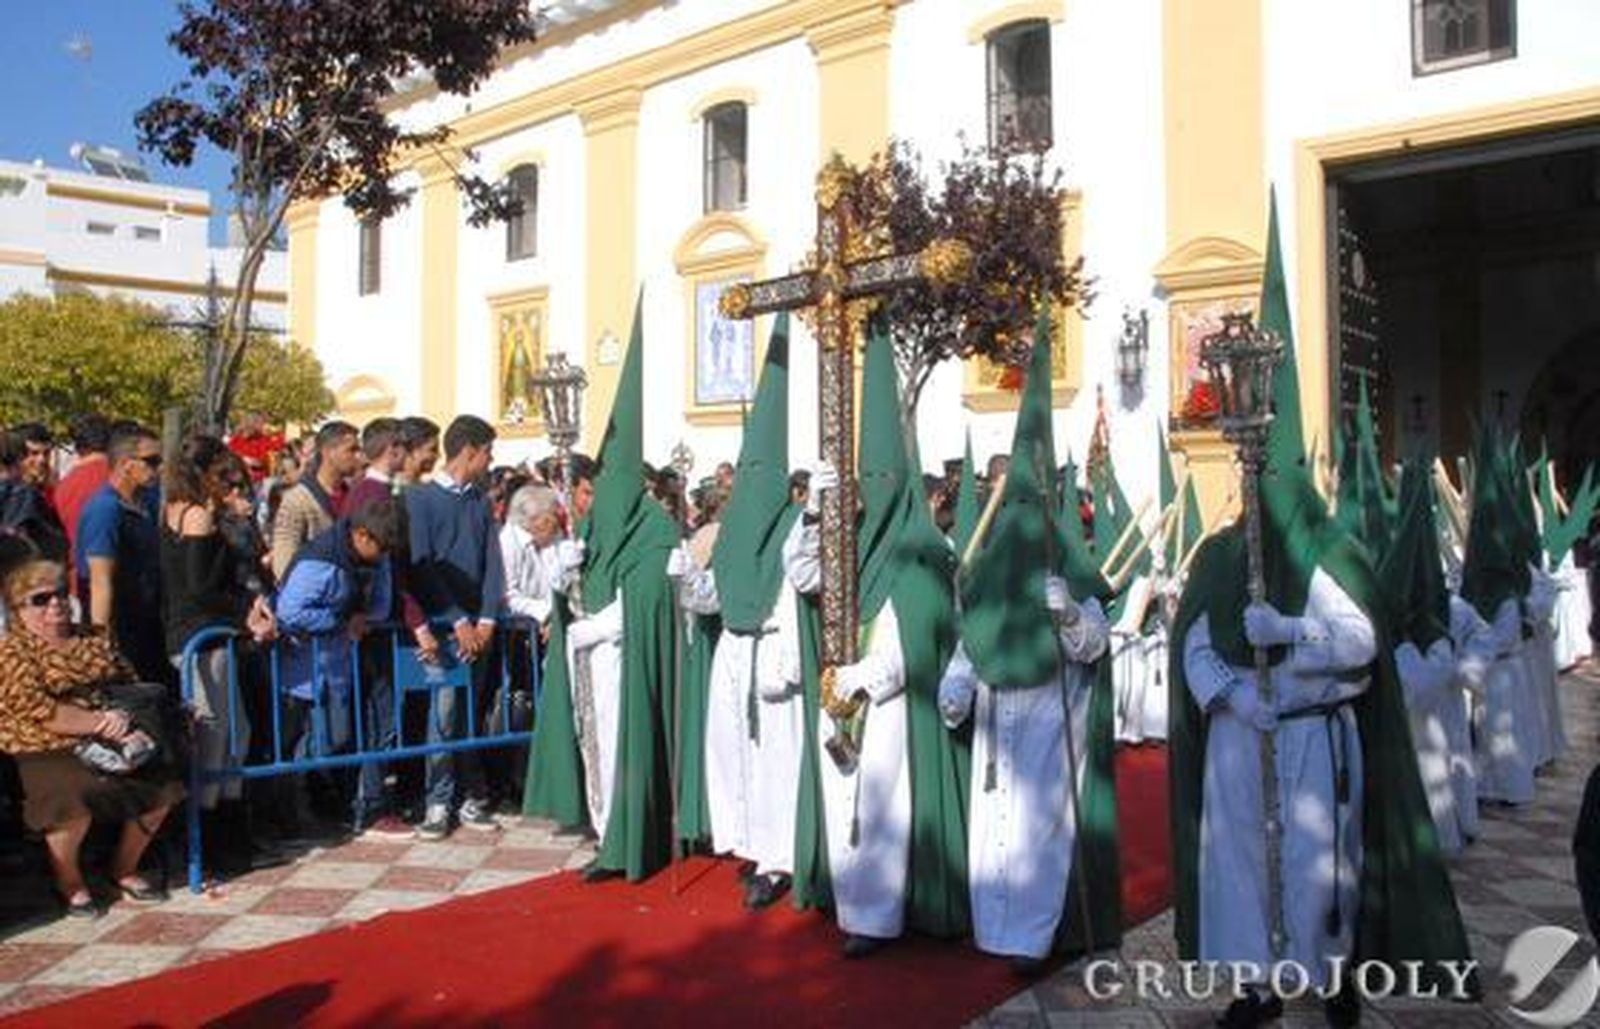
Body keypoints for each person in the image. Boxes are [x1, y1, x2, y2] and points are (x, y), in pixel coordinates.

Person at [1170, 211, 1472, 1027]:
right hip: (1244, 735)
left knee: (1317, 863)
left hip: (1314, 732)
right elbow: (1194, 644)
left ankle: (1331, 975)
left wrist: (1291, 633)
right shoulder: (1224, 557)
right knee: (1241, 866)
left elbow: (1362, 641)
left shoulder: (1330, 555)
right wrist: (1233, 694)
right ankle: (1256, 984)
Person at [783, 315, 970, 954]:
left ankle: (877, 918)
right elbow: (801, 573)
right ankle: (843, 899)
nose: (876, 492)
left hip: (884, 706)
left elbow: (912, 643)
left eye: (885, 480)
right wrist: (812, 512)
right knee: (842, 804)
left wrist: (863, 679)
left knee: (883, 806)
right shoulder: (847, 541)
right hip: (839, 697)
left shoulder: (923, 554)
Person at [942, 318, 1121, 972]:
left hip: (1052, 716)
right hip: (996, 716)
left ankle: (1035, 936)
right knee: (994, 826)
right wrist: (956, 686)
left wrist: (1070, 611)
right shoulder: (986, 570)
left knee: (1038, 828)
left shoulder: (1067, 561)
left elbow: (1095, 643)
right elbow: (972, 638)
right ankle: (995, 926)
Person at [674, 315, 804, 908]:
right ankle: (751, 844)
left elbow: (798, 591)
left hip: (775, 656)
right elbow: (713, 600)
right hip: (733, 652)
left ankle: (782, 856)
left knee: (777, 758)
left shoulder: (793, 529)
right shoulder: (730, 534)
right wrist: (687, 578)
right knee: (734, 754)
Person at [552, 305, 678, 882]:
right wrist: (563, 569)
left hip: (626, 660)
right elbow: (574, 591)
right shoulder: (594, 527)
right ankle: (606, 833)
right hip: (589, 664)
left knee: (625, 745)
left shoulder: (654, 529)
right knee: (594, 747)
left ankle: (632, 839)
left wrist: (588, 630)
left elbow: (641, 604)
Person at [0, 557, 183, 917]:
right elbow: (41, 711)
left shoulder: (94, 638)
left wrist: (137, 716)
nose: (55, 603)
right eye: (40, 599)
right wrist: (98, 721)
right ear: (18, 610)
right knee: (72, 797)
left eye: (59, 594)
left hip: (110, 734)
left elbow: (129, 683)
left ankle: (123, 867)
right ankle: (69, 881)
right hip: (43, 744)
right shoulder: (12, 652)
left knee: (161, 786)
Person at [161, 435, 277, 872]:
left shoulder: (180, 511)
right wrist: (247, 616)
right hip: (201, 638)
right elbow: (200, 587)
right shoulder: (195, 517)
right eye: (223, 474)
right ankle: (209, 842)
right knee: (215, 737)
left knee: (235, 733)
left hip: (209, 635)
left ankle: (229, 831)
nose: (231, 483)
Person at [273, 500, 403, 834]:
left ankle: (313, 806)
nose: (385, 555)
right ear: (361, 536)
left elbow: (380, 605)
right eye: (382, 547)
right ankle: (291, 811)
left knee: (336, 737)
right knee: (302, 742)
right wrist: (340, 621)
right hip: (304, 668)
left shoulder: (374, 558)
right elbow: (290, 611)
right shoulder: (321, 561)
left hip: (338, 664)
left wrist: (363, 617)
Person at [405, 415, 505, 840]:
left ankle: (469, 793)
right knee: (443, 717)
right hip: (447, 630)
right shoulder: (420, 500)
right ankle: (437, 800)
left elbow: (492, 564)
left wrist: (486, 618)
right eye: (487, 452)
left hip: (477, 630)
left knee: (469, 714)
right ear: (470, 451)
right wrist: (456, 619)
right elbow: (422, 567)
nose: (490, 460)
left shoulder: (479, 501)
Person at [76, 423, 168, 685]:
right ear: (126, 464)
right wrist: (101, 644)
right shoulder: (105, 509)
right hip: (121, 631)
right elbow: (99, 581)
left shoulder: (146, 501)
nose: (158, 468)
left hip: (149, 626)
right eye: (152, 461)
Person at [270, 420, 360, 580]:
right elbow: (283, 563)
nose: (358, 456)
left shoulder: (354, 495)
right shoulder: (297, 500)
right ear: (328, 452)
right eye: (351, 450)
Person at [54, 414, 112, 573]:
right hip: (119, 577)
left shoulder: (63, 487)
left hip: (76, 578)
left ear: (77, 446)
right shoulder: (122, 479)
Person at [0, 431, 68, 563]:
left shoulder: (36, 490)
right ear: (21, 459)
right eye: (33, 453)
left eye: (46, 453)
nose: (42, 460)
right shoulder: (24, 493)